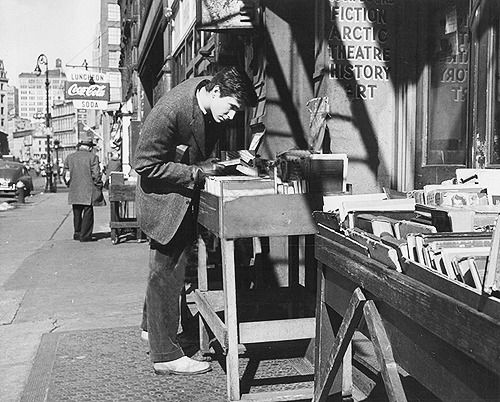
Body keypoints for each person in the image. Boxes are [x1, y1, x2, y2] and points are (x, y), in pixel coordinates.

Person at [134, 66, 257, 375]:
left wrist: (230, 158)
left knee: (163, 269)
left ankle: (152, 328)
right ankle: (165, 355)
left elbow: (197, 148)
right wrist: (193, 173)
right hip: (164, 200)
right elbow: (145, 164)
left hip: (179, 196)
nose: (231, 117)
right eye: (231, 108)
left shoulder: (206, 98)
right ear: (215, 93)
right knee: (167, 272)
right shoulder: (171, 109)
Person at [63, 138, 104, 242]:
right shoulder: (93, 157)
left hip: (74, 189)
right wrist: (99, 185)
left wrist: (69, 184)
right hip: (88, 189)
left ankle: (77, 233)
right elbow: (96, 174)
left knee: (76, 211)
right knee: (88, 211)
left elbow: (65, 174)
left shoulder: (70, 157)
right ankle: (85, 235)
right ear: (89, 147)